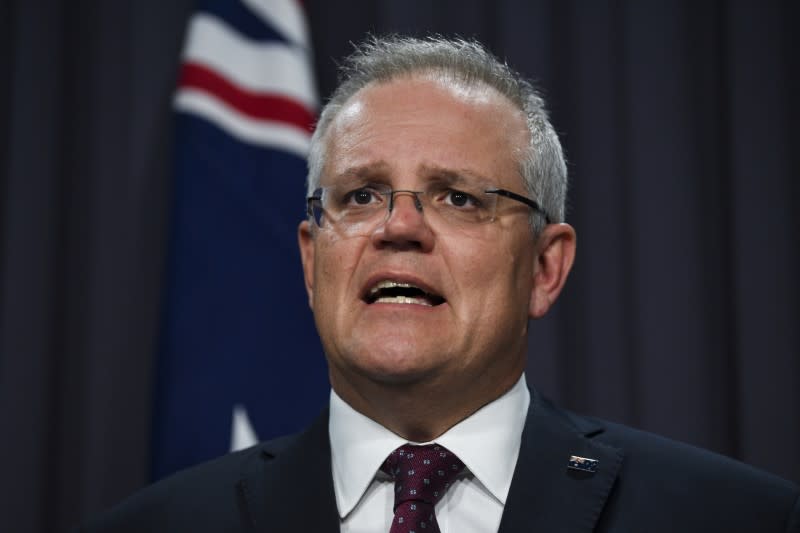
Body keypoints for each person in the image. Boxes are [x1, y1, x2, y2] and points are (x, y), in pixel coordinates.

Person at [80, 35, 799, 533]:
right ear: (309, 260)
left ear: (545, 267)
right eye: (361, 195)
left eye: (458, 197)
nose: (398, 227)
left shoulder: (739, 517)